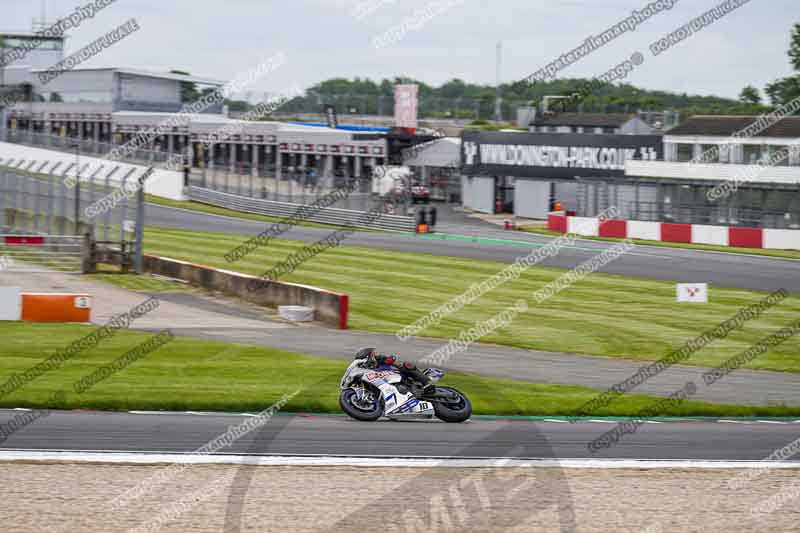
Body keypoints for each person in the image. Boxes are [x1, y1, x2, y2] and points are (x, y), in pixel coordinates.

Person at [355, 347, 434, 393]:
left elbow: (392, 358)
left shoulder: (379, 359)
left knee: (406, 365)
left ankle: (427, 382)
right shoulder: (368, 371)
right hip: (386, 383)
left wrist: (388, 360)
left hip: (398, 374)